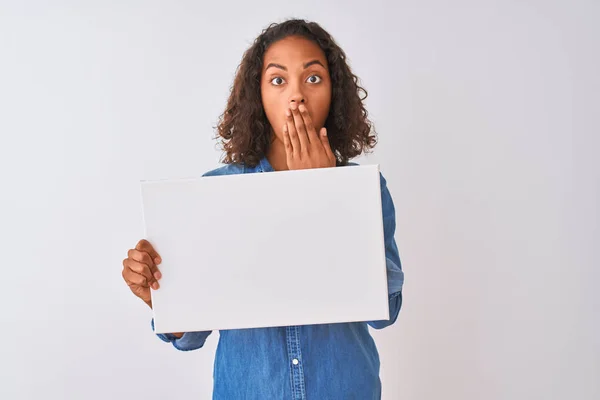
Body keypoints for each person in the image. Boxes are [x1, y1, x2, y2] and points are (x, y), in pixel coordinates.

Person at [122, 18, 404, 400]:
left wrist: (327, 194)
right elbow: (191, 334)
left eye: (314, 78)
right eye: (277, 80)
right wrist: (160, 298)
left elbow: (385, 309)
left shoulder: (366, 188)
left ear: (334, 93)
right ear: (258, 95)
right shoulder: (216, 191)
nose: (296, 96)